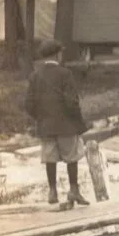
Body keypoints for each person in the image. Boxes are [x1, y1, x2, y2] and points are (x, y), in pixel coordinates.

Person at [23, 39, 90, 206]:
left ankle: (52, 191)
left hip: (46, 126)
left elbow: (29, 104)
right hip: (66, 125)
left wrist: (41, 118)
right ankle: (73, 190)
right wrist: (78, 121)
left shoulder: (35, 76)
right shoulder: (65, 74)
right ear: (58, 54)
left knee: (50, 158)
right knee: (71, 157)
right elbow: (72, 102)